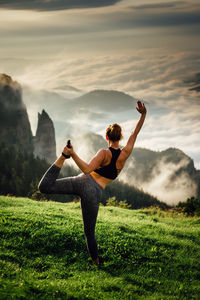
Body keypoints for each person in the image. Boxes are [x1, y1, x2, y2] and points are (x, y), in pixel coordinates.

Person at [38, 100, 146, 265]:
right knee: (89, 232)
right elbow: (135, 133)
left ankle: (61, 157)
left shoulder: (104, 153)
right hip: (95, 192)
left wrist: (71, 155)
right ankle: (95, 262)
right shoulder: (125, 154)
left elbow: (87, 170)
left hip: (82, 182)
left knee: (44, 187)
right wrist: (143, 115)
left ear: (106, 137)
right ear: (120, 137)